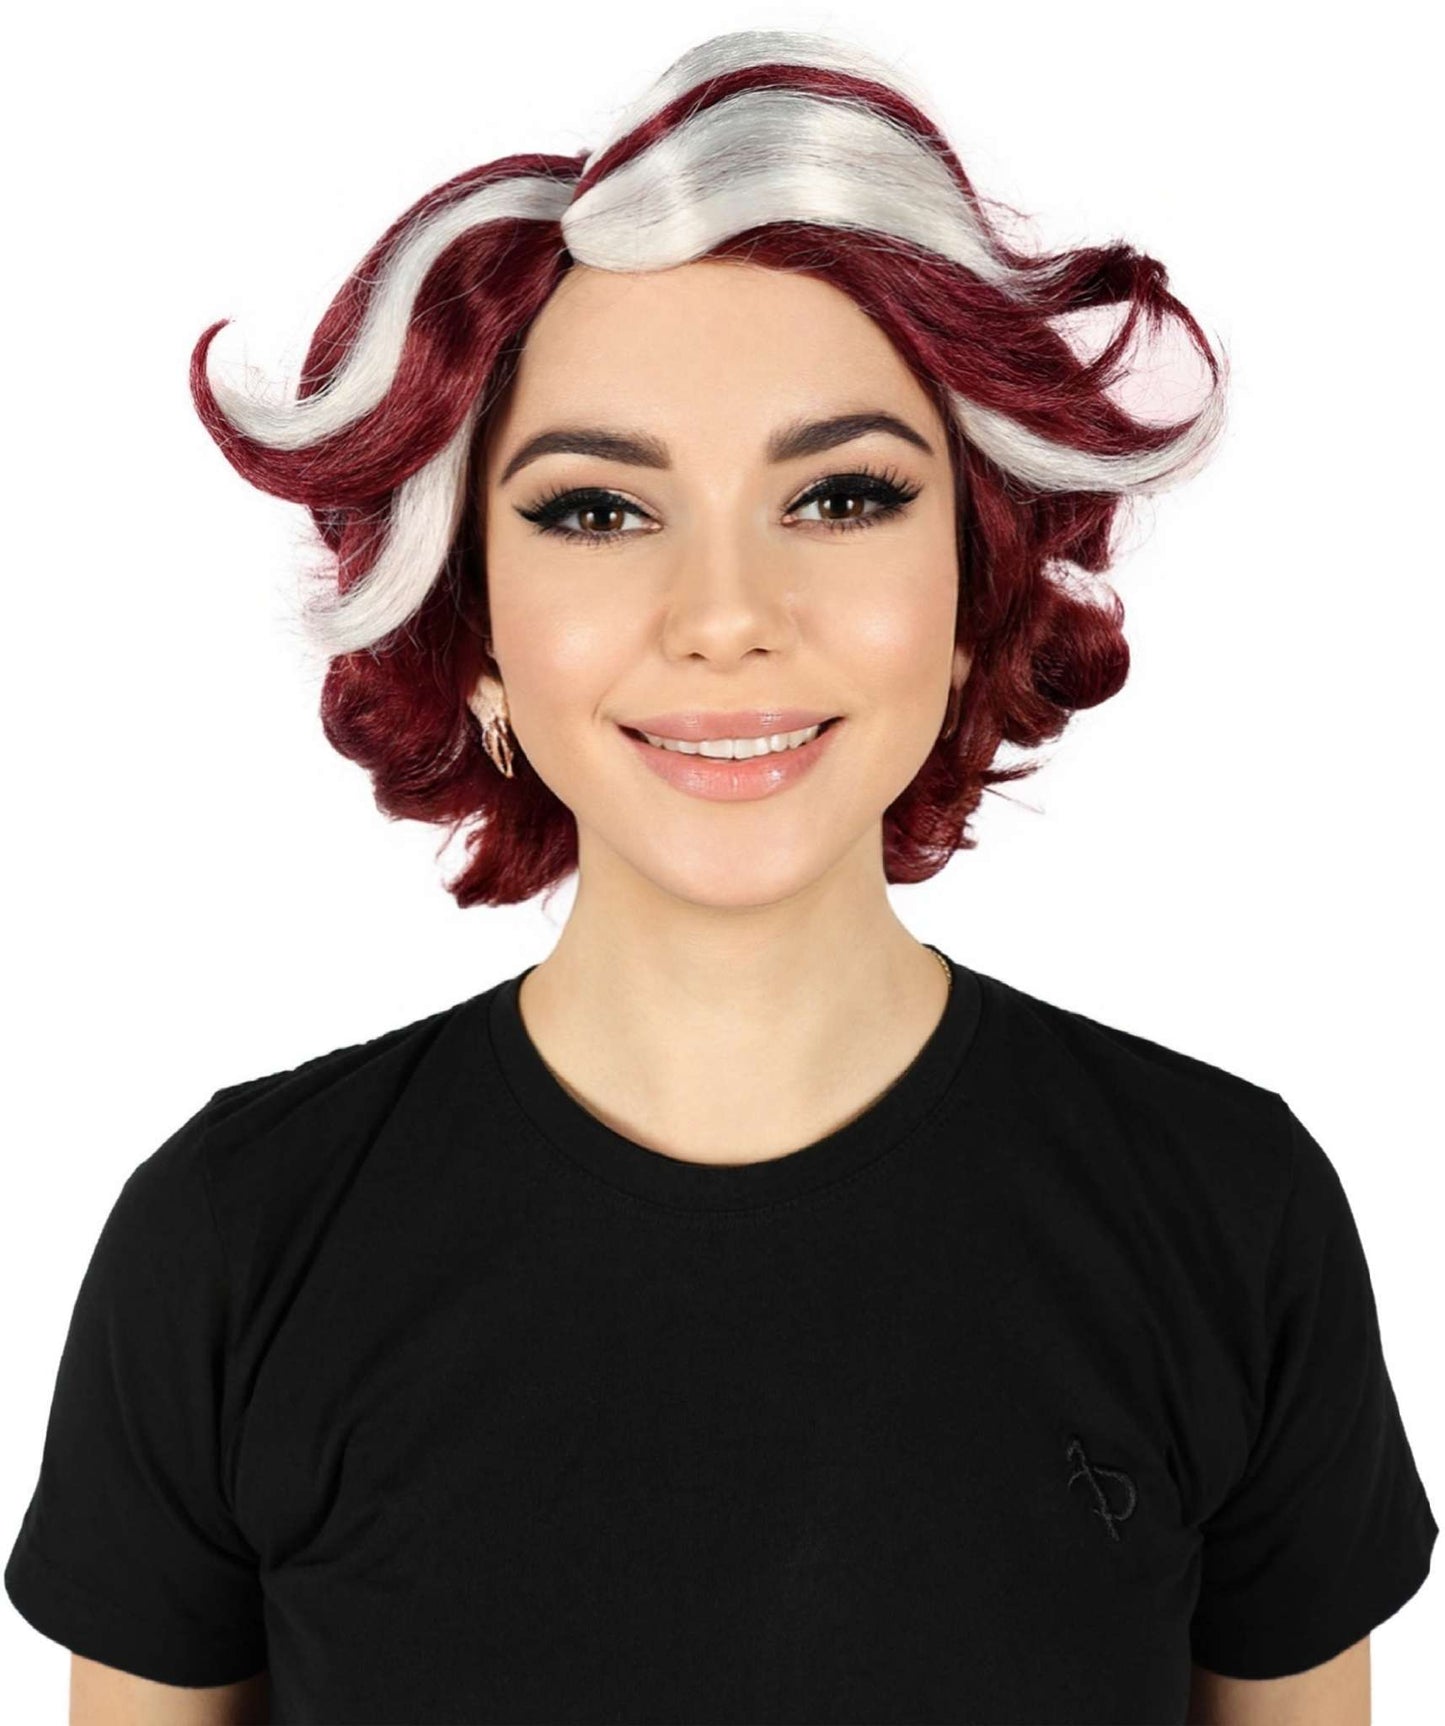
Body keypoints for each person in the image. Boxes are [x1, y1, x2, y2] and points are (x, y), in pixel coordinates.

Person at [5, 26, 1434, 1726]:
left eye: (839, 495)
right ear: (470, 631)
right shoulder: (233, 1247)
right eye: (597, 511)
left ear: (972, 586)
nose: (725, 613)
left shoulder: (1226, 1217)